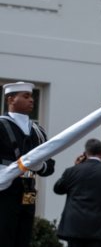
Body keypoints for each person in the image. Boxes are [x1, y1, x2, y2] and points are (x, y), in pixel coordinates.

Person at [0, 81, 55, 247]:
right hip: (5, 191)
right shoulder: (1, 125)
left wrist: (40, 166)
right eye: (26, 96)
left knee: (24, 236)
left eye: (31, 96)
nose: (31, 100)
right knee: (3, 235)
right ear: (11, 99)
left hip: (29, 189)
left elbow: (50, 166)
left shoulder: (38, 131)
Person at [54, 138, 101, 247]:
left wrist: (76, 167)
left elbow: (58, 189)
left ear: (85, 153)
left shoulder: (72, 171)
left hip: (75, 228)